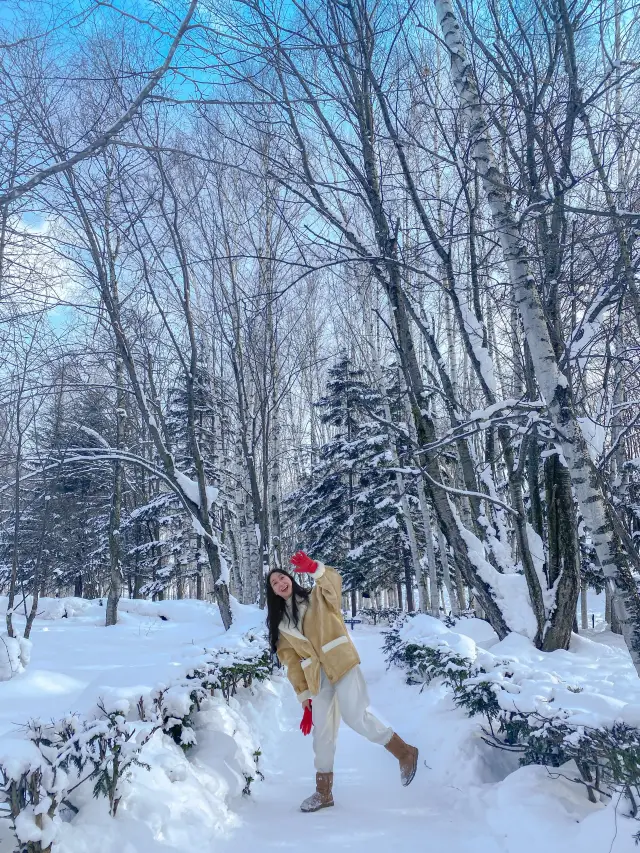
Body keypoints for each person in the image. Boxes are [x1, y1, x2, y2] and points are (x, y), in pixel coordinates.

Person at [266, 550, 419, 813]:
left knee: (354, 716)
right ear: (274, 593)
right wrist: (304, 698)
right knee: (322, 734)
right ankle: (323, 792)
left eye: (282, 578)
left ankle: (404, 752)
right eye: (275, 584)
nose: (281, 583)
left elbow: (333, 583)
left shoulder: (317, 597)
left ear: (291, 578)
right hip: (317, 678)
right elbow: (291, 663)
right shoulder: (281, 624)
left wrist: (315, 568)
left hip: (341, 662)